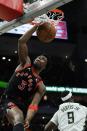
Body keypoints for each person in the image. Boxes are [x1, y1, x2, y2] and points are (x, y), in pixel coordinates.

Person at [0, 23, 48, 131]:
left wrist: (29, 119)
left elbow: (33, 105)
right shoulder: (25, 64)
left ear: (44, 67)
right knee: (18, 116)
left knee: (22, 124)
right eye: (39, 57)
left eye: (43, 59)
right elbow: (21, 41)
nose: (40, 58)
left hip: (20, 105)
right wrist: (36, 27)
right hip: (7, 99)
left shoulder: (41, 85)